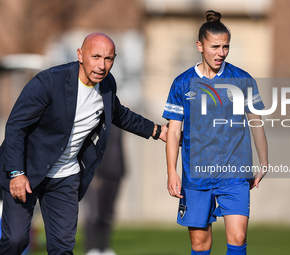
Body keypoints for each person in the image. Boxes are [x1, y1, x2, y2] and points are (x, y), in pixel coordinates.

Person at [0, 32, 167, 255]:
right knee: (15, 240)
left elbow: (120, 114)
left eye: (109, 59)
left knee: (62, 248)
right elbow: (15, 126)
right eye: (96, 56)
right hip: (27, 171)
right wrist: (16, 172)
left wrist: (157, 131)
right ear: (80, 55)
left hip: (65, 178)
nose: (102, 65)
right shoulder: (48, 82)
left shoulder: (107, 85)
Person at [163, 11, 268, 255]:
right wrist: (172, 171)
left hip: (234, 173)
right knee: (200, 244)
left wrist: (264, 161)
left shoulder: (242, 80)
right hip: (196, 177)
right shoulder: (182, 83)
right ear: (200, 46)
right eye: (215, 46)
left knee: (238, 236)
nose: (221, 53)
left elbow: (256, 124)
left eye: (226, 47)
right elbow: (174, 133)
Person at [84, 125, 125, 255]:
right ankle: (91, 248)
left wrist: (122, 169)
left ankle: (104, 248)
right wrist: (94, 173)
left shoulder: (119, 118)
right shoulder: (96, 118)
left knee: (108, 214)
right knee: (94, 212)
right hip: (99, 173)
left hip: (116, 171)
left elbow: (119, 146)